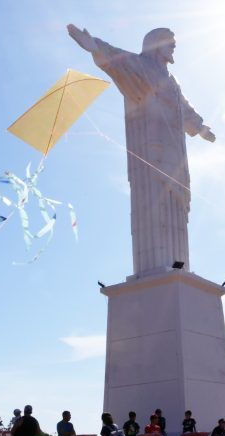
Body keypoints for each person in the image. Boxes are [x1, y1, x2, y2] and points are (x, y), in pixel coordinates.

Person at [67, 24, 216, 277]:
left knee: (176, 207)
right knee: (155, 204)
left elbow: (185, 108)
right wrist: (95, 46)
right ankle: (156, 268)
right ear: (156, 45)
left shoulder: (172, 81)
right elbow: (116, 59)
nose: (173, 47)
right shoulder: (142, 67)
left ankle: (178, 267)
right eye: (169, 42)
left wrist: (200, 127)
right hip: (151, 152)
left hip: (175, 154)